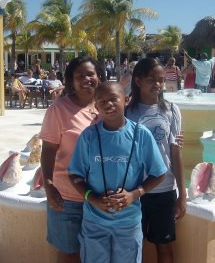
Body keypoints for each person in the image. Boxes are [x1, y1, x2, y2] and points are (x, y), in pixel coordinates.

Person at [68, 81, 167, 263]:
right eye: (101, 101)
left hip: (128, 223)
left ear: (126, 100)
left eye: (113, 99)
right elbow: (74, 175)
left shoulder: (141, 134)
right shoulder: (88, 136)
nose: (108, 104)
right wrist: (93, 198)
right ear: (96, 106)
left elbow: (159, 172)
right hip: (94, 222)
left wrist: (134, 194)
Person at [39, 56, 103, 263]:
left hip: (100, 197)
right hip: (67, 197)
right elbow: (48, 150)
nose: (86, 79)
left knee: (98, 252)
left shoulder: (108, 107)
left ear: (99, 77)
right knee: (69, 253)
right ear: (71, 81)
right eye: (80, 76)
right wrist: (49, 185)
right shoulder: (58, 109)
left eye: (90, 74)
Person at [125, 57, 186, 263]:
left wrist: (182, 195)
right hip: (133, 191)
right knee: (133, 245)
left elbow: (175, 153)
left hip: (164, 190)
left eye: (161, 80)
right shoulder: (125, 111)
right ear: (138, 80)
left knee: (165, 246)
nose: (158, 84)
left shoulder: (171, 110)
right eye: (152, 79)